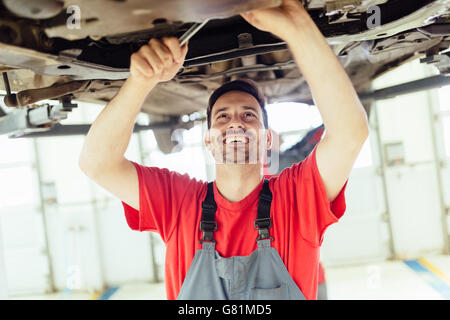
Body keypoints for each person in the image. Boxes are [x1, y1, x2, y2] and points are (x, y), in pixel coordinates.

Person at [79, 0, 369, 300]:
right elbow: (97, 163)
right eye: (222, 116)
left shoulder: (296, 200)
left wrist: (297, 27)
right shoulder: (178, 203)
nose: (235, 124)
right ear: (208, 140)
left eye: (248, 115)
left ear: (268, 139)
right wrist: (140, 82)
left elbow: (349, 134)